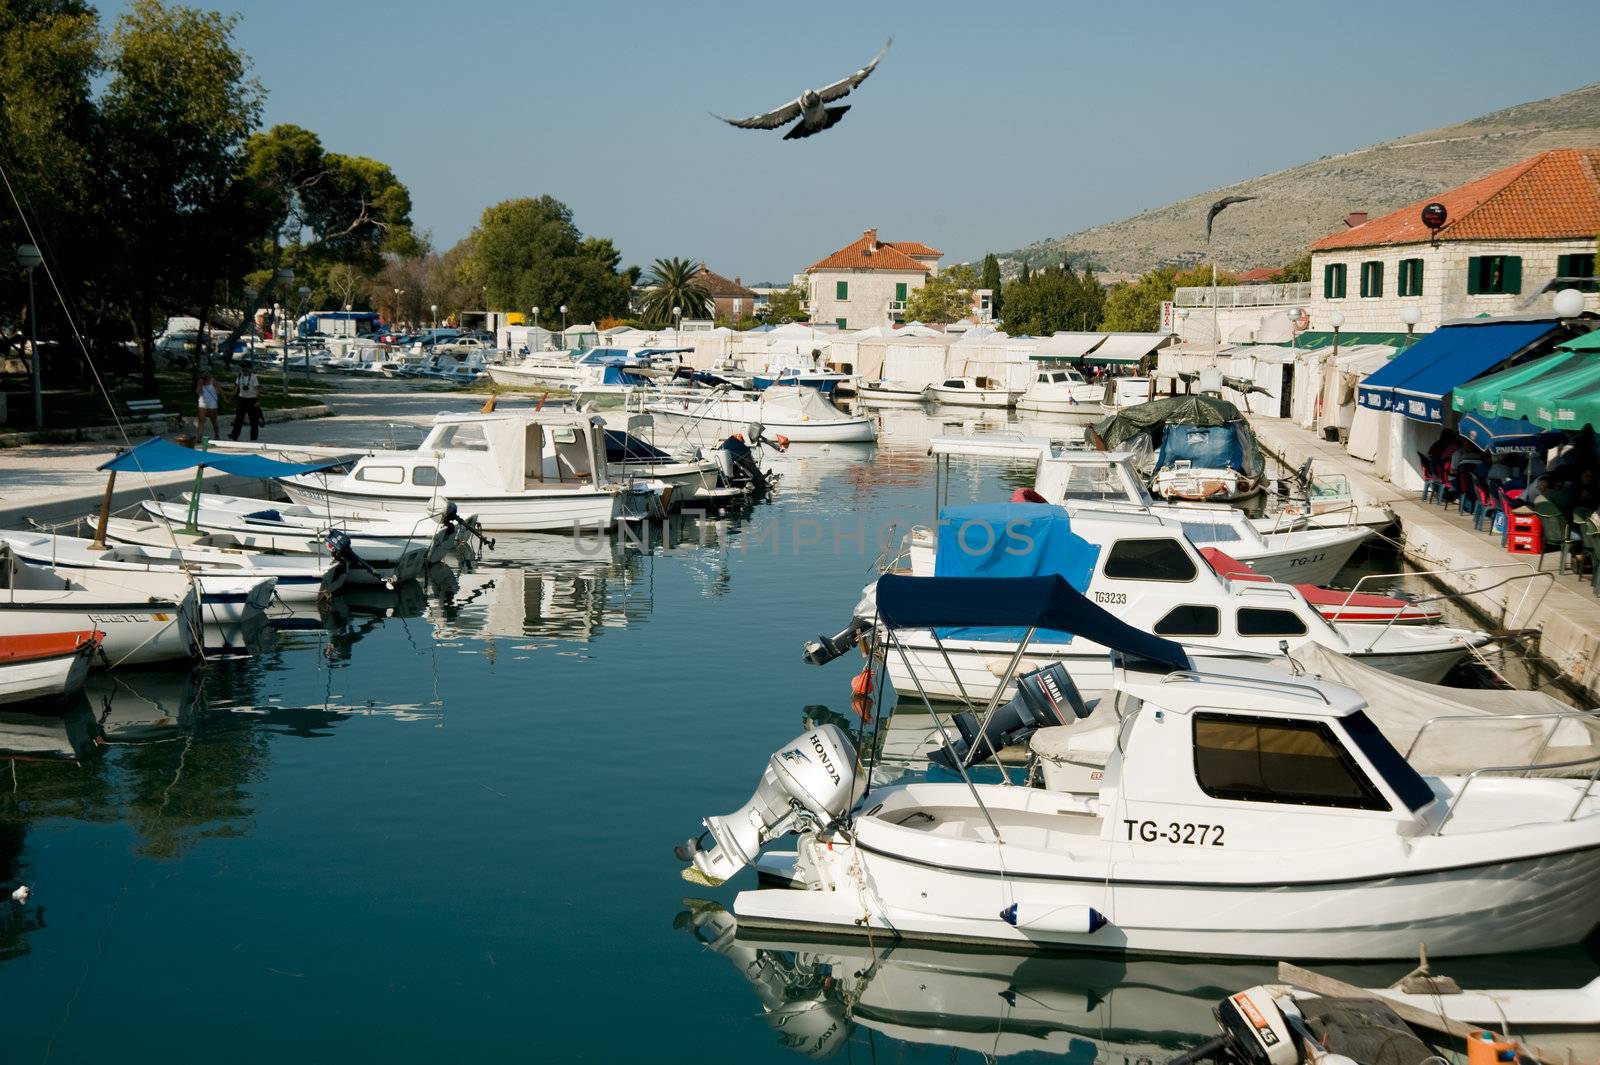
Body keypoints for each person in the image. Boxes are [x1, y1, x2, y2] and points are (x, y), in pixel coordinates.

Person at [228, 359, 263, 441]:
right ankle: (234, 435)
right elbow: (237, 387)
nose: (244, 369)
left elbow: (258, 389)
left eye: (246, 367)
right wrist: (231, 397)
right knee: (238, 418)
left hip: (252, 400)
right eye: (242, 367)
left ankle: (253, 436)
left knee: (253, 419)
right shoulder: (240, 376)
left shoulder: (253, 377)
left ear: (250, 368)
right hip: (242, 399)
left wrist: (258, 401)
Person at [196, 372, 220, 438]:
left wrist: (215, 387)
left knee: (213, 420)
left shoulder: (213, 381)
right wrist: (200, 384)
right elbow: (198, 392)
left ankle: (216, 434)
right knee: (201, 420)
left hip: (212, 403)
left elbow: (218, 391)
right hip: (202, 402)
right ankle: (199, 436)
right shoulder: (200, 382)